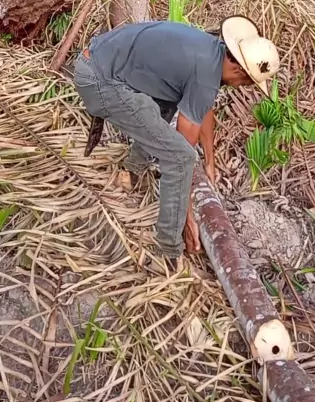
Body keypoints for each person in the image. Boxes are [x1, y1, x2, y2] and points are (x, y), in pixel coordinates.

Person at [74, 16, 280, 264]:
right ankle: (169, 249)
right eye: (245, 83)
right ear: (238, 70)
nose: (240, 87)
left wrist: (210, 162)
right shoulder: (206, 72)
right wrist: (186, 215)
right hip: (99, 80)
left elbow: (203, 107)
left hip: (102, 63)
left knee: (167, 104)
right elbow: (182, 152)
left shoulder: (211, 52)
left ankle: (131, 172)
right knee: (180, 157)